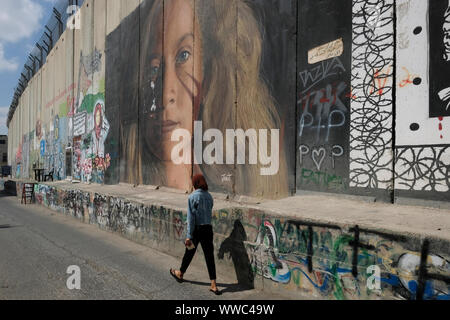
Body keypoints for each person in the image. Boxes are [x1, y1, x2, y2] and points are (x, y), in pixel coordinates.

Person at [121, 0, 288, 199]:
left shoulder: (237, 179)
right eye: (154, 69)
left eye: (184, 55)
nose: (165, 95)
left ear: (209, 70)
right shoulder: (134, 174)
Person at [170, 174, 221, 295]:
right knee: (209, 256)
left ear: (195, 183)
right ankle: (213, 284)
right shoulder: (209, 197)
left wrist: (189, 235)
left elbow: (191, 218)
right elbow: (209, 211)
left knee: (189, 252)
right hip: (208, 229)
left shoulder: (192, 197)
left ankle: (180, 273)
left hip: (197, 230)